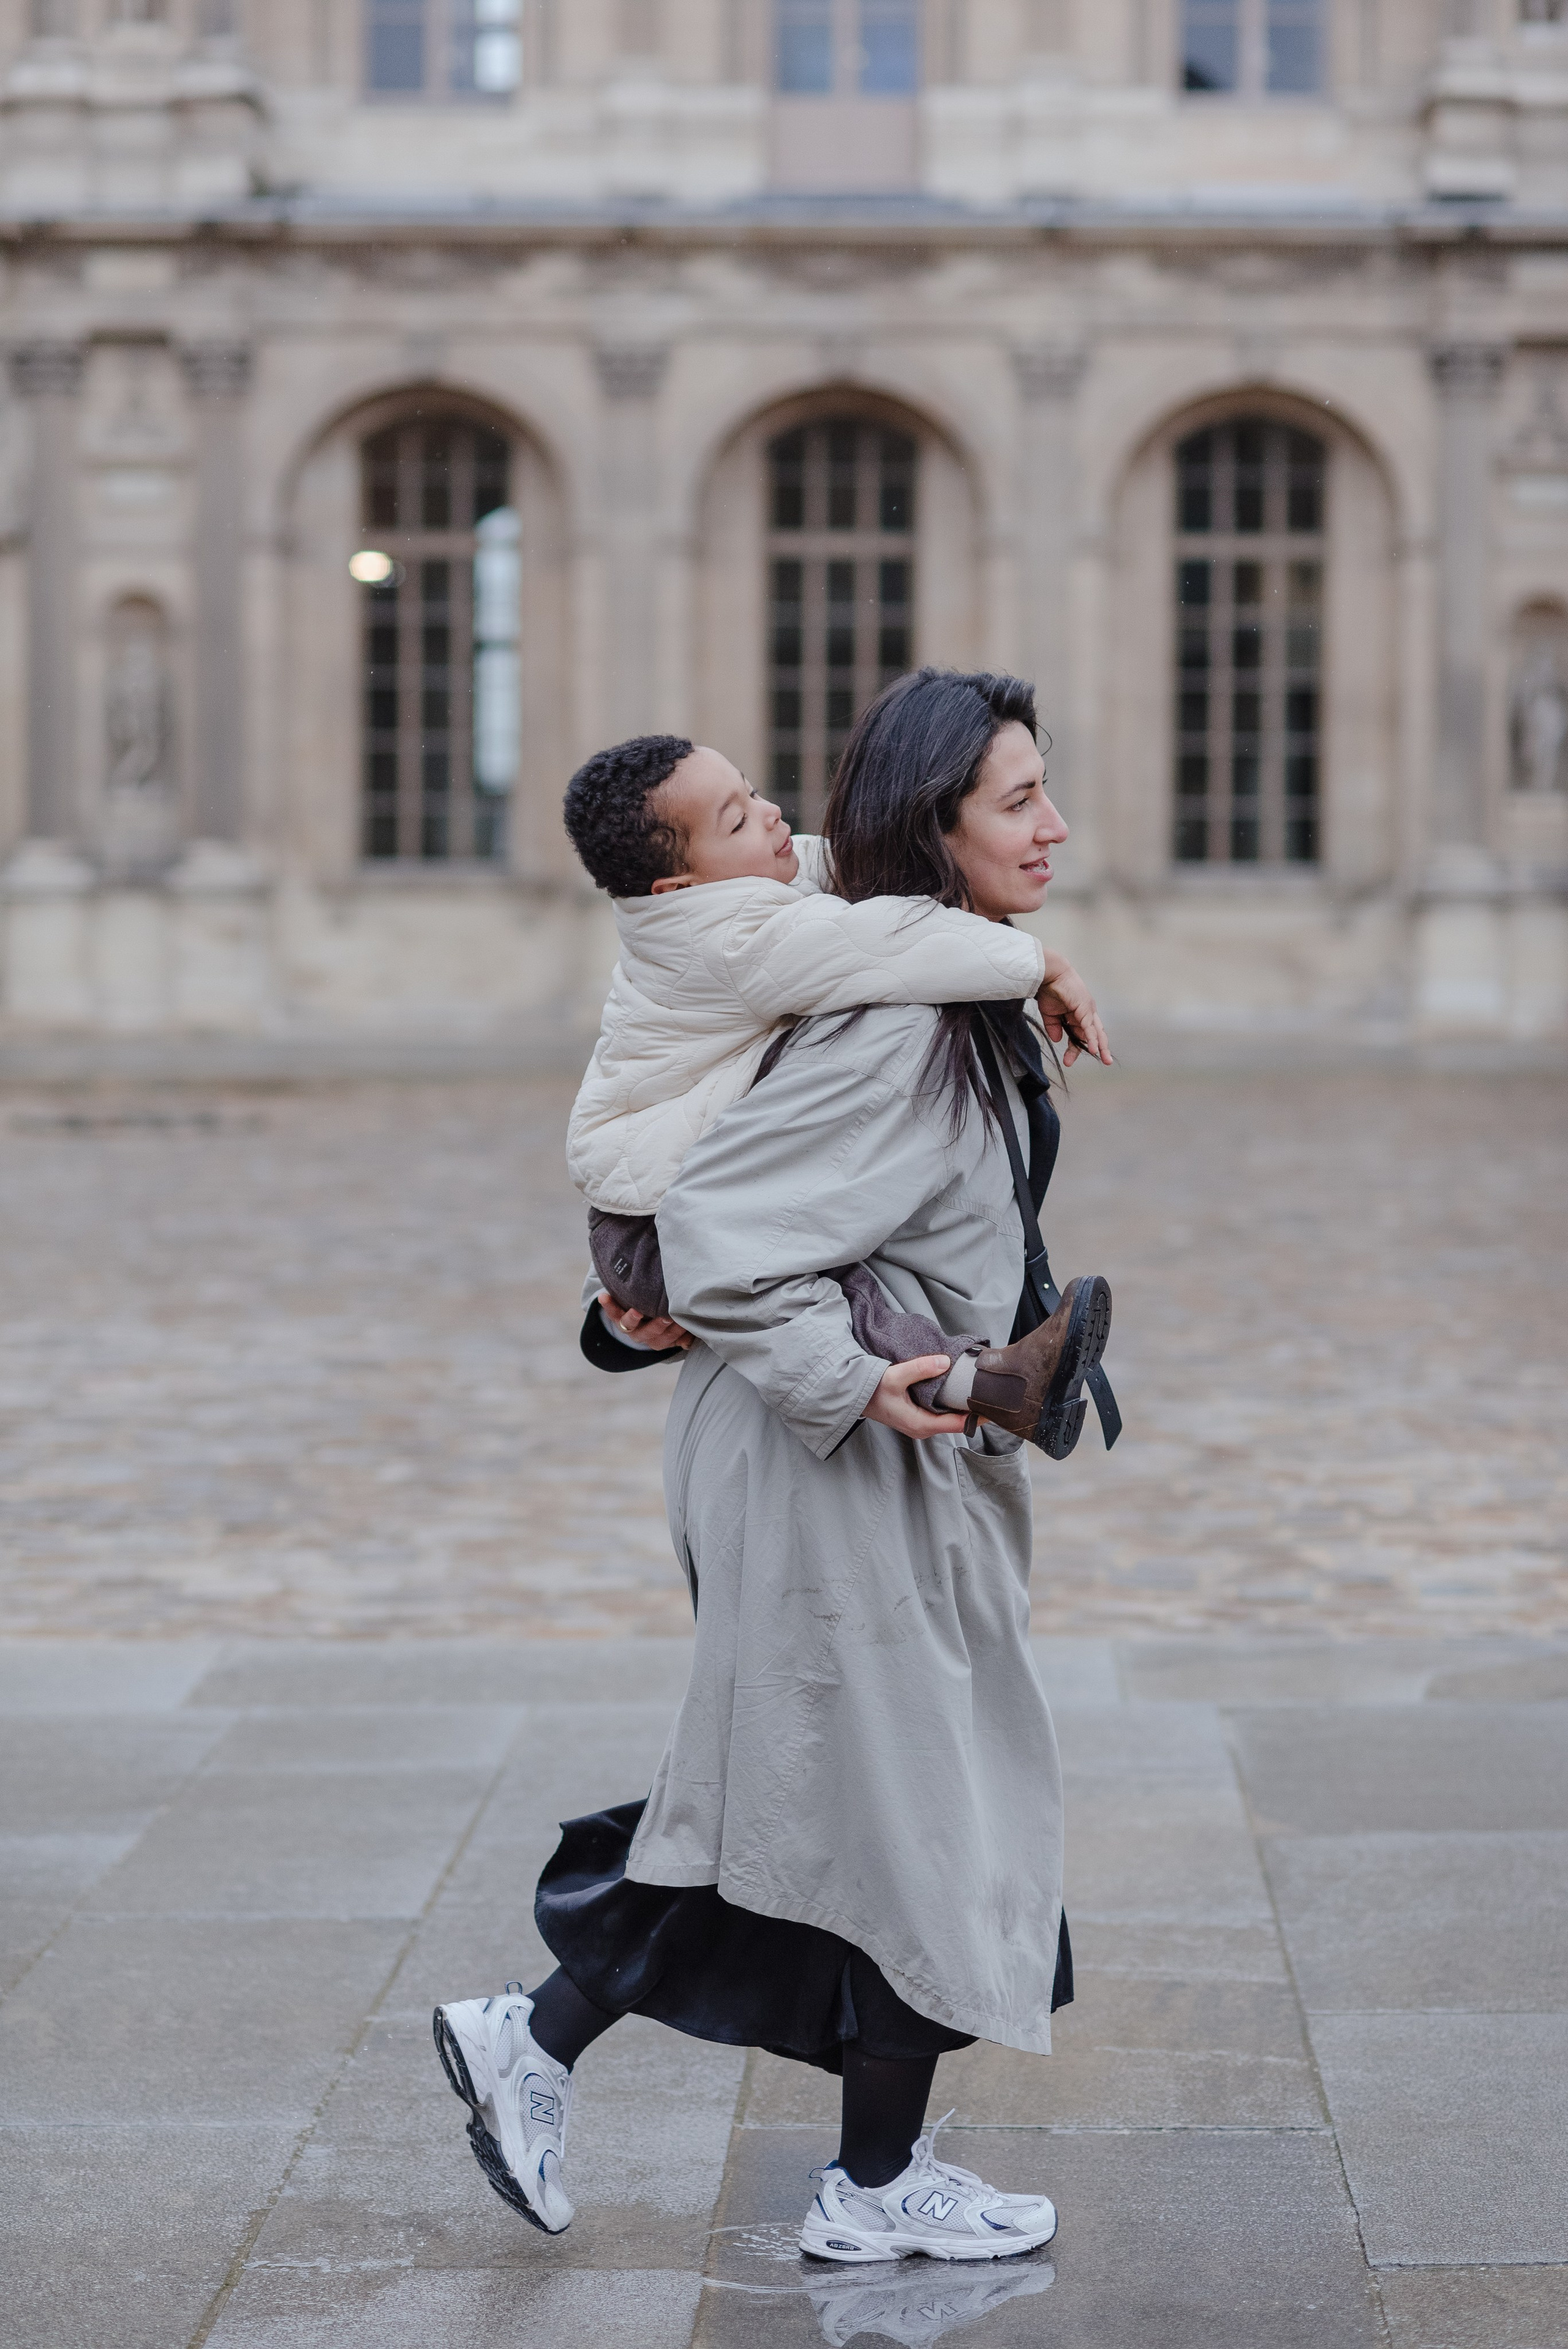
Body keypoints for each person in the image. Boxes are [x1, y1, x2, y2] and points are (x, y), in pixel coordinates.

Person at [434, 669, 1097, 2266]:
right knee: (909, 1819)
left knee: (854, 1816)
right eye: (1016, 797)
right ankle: (858, 2179)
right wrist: (869, 1382)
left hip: (871, 1457)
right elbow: (727, 1244)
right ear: (932, 825)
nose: (1053, 821)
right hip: (825, 1464)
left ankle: (803, 2145)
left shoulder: (904, 984)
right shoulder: (897, 1015)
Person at [563, 731, 1113, 1452]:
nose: (771, 812)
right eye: (737, 819)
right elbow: (880, 942)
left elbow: (840, 868)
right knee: (848, 1298)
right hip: (647, 1225)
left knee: (821, 1276)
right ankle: (977, 1380)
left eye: (754, 791)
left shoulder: (741, 897)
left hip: (646, 1212)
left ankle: (989, 1381)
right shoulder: (740, 941)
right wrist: (1039, 963)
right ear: (682, 887)